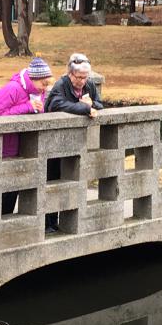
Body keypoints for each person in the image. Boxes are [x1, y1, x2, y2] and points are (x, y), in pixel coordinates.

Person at [44, 53, 103, 233]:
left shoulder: (89, 84)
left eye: (85, 77)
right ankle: (49, 222)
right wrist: (85, 107)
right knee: (53, 180)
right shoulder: (61, 85)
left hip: (76, 143)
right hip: (54, 142)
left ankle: (68, 220)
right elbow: (56, 104)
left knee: (72, 180)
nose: (82, 81)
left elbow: (100, 104)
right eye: (79, 77)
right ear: (70, 74)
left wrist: (92, 103)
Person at [0, 57, 53, 215]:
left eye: (47, 84)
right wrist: (27, 107)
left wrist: (37, 110)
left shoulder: (39, 92)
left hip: (26, 149)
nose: (45, 88)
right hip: (6, 149)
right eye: (43, 83)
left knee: (18, 190)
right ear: (33, 79)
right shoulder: (12, 88)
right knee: (5, 193)